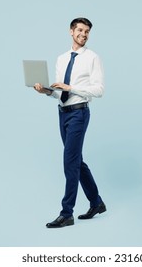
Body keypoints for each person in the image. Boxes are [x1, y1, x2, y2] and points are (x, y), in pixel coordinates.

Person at [34, 17, 106, 228]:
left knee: (69, 162)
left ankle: (67, 213)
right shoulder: (62, 58)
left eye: (87, 32)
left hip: (79, 113)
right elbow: (59, 92)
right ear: (71, 31)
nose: (84, 35)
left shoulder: (92, 58)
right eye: (80, 31)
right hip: (63, 112)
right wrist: (46, 91)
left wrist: (71, 88)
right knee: (76, 161)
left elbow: (99, 90)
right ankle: (97, 202)